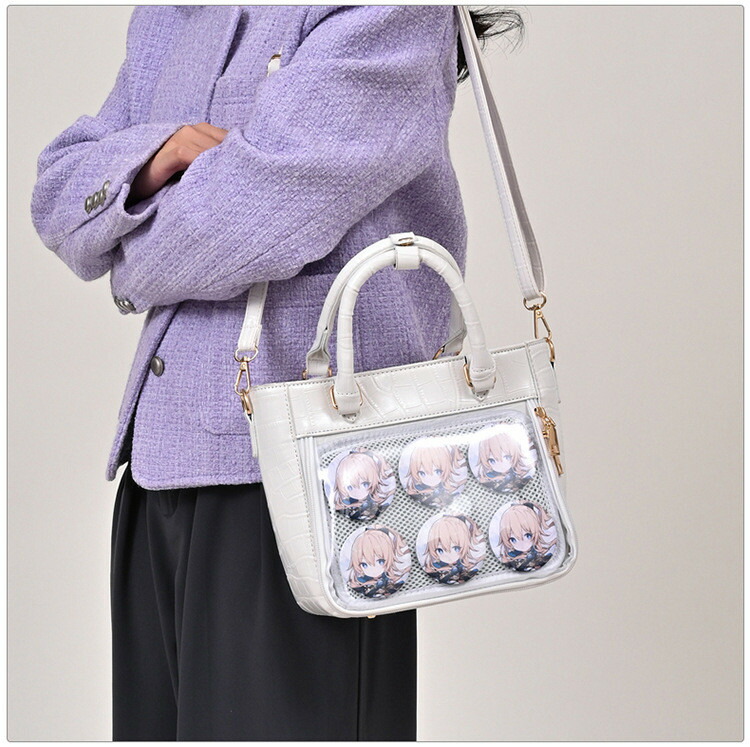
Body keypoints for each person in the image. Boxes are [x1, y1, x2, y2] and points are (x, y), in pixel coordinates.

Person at [29, 4, 524, 741]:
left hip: (318, 483)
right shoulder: (172, 14)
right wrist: (159, 150)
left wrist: (127, 251)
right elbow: (58, 194)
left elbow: (246, 219)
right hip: (155, 470)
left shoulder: (388, 13)